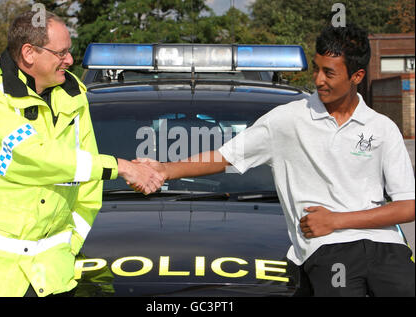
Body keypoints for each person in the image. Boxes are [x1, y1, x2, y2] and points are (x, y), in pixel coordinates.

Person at [136, 24, 415, 296]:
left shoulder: (382, 127)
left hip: (387, 247)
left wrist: (338, 220)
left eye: (329, 73)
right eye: (316, 69)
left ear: (357, 76)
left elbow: (409, 206)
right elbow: (225, 157)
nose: (318, 80)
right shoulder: (287, 119)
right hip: (330, 249)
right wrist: (165, 169)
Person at [0, 11, 163, 297]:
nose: (69, 60)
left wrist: (66, 248)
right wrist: (120, 167)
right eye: (61, 53)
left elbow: (88, 189)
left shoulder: (73, 96)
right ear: (29, 53)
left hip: (52, 278)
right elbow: (33, 159)